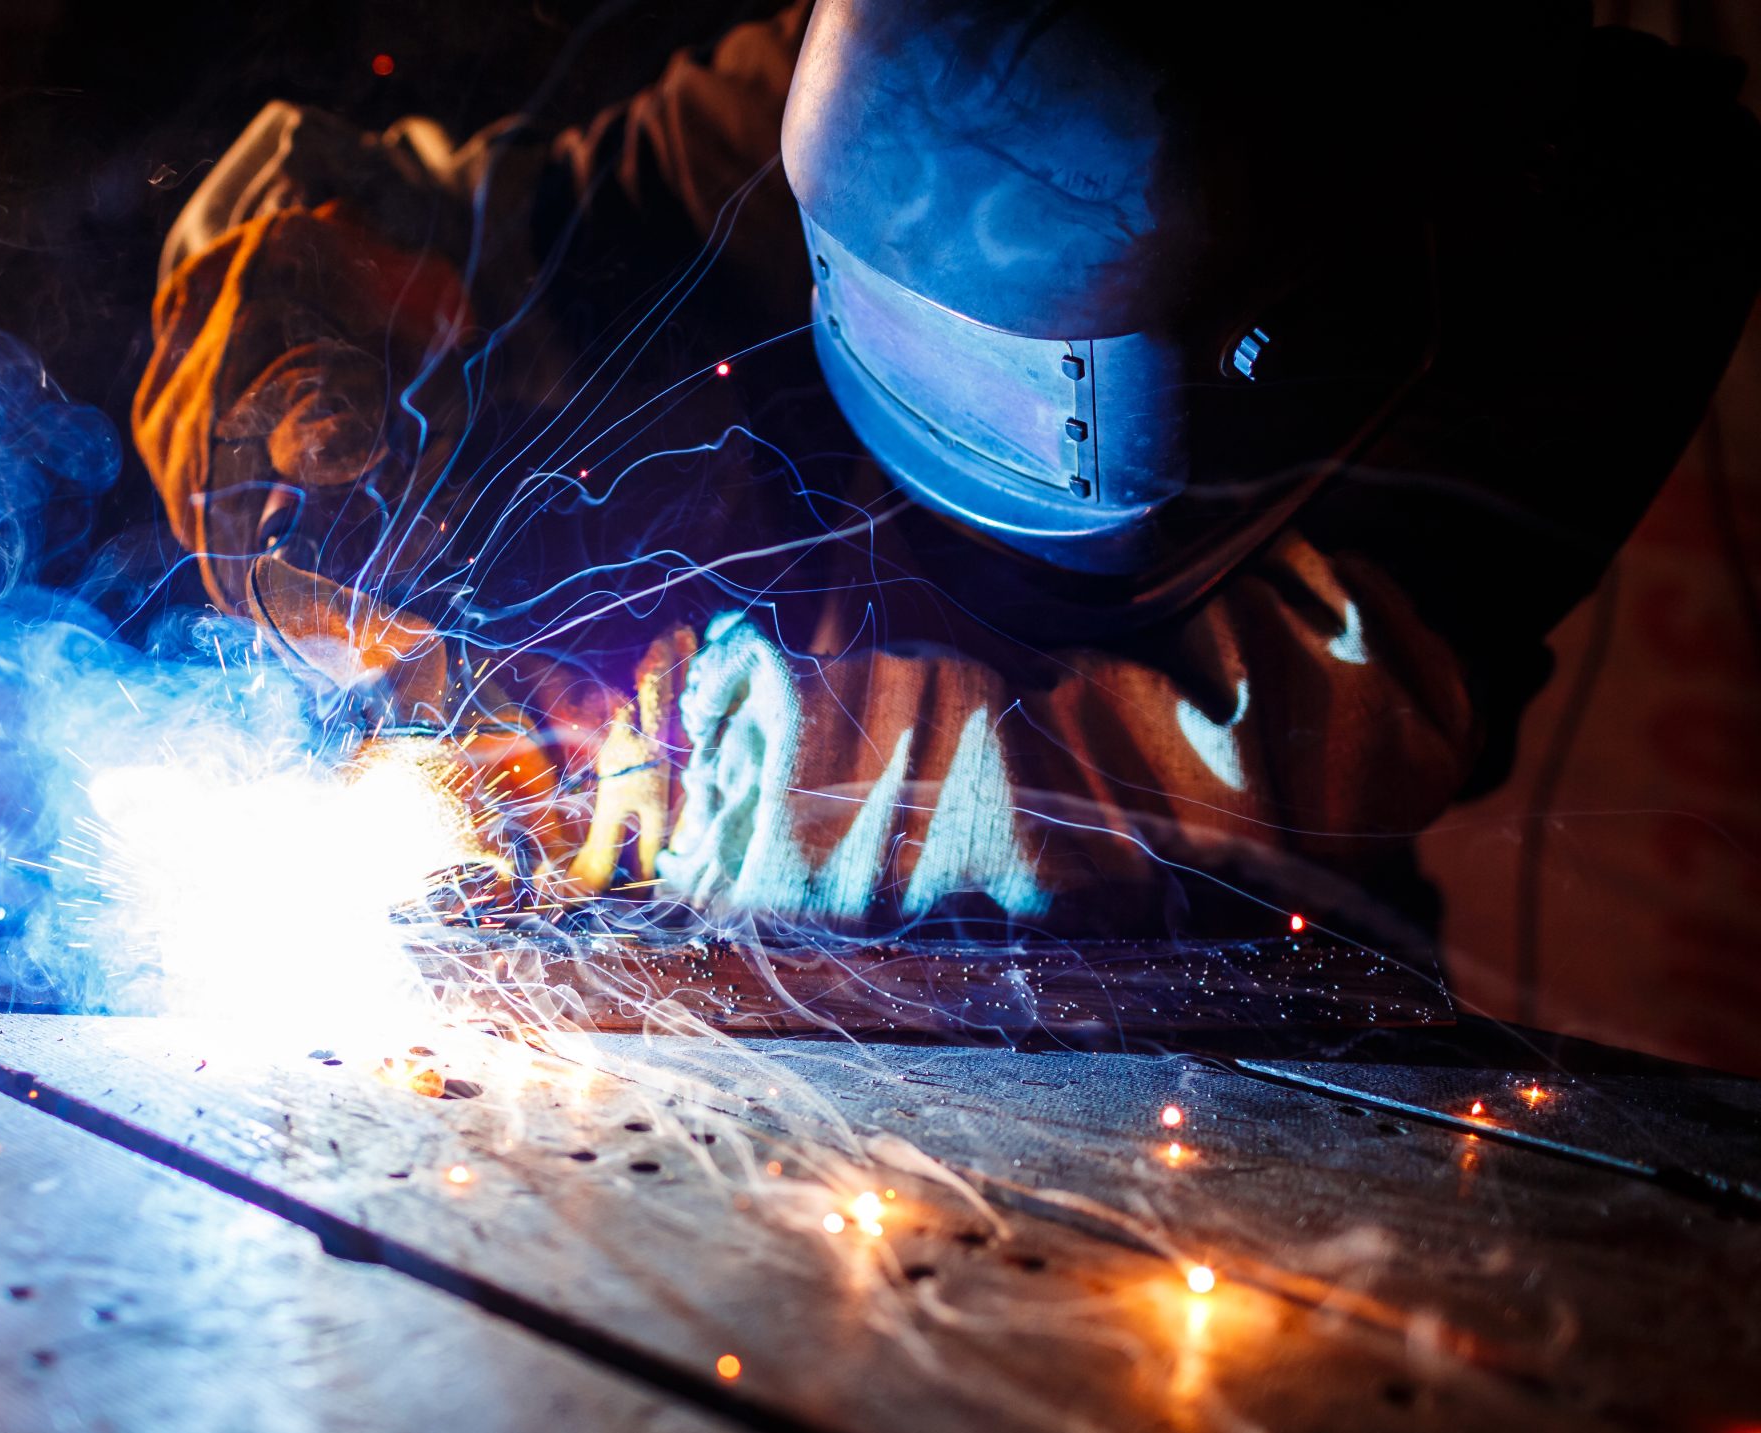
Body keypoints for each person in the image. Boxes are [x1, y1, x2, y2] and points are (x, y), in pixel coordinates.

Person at [131, 0, 1761, 943]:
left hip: (1179, 1034)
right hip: (717, 909)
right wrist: (315, 296)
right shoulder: (925, 50)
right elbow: (507, 236)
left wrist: (680, 776)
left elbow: (1258, 766)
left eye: (1013, 367)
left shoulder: (1593, 231)